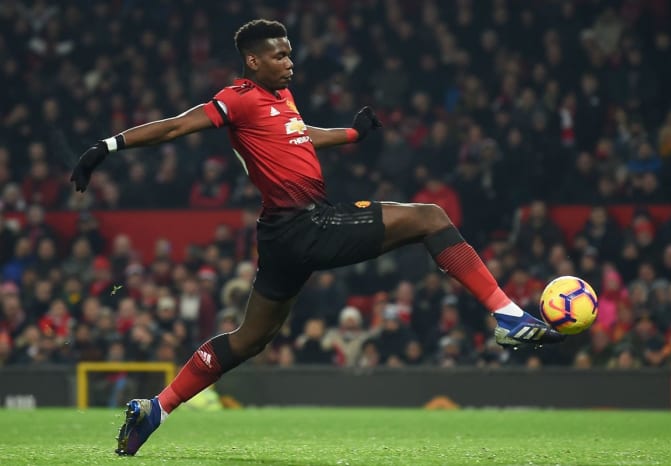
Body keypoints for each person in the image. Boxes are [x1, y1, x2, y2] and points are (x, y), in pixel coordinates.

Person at [69, 19, 563, 456]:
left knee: (249, 339)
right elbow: (177, 127)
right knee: (431, 218)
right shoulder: (237, 97)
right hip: (304, 224)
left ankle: (155, 408)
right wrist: (107, 147)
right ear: (253, 61)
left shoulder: (281, 98)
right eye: (279, 55)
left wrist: (352, 135)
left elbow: (300, 134)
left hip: (281, 235)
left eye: (290, 53)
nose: (290, 62)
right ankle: (507, 316)